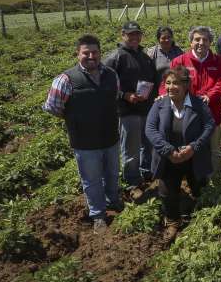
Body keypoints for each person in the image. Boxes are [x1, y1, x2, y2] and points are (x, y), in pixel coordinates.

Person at [43, 35, 122, 233]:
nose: (91, 56)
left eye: (94, 52)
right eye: (85, 53)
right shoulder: (66, 79)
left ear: (100, 53)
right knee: (92, 179)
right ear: (78, 54)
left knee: (112, 173)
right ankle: (98, 215)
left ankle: (113, 201)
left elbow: (116, 97)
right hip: (84, 141)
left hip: (110, 136)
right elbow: (53, 107)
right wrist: (75, 119)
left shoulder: (111, 74)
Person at [145, 67, 215, 241]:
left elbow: (209, 125)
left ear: (186, 85)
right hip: (168, 158)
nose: (170, 87)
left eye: (175, 83)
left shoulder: (198, 104)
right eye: (168, 83)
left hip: (193, 156)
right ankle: (173, 221)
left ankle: (202, 217)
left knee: (199, 187)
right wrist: (169, 151)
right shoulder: (159, 104)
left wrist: (193, 147)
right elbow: (150, 129)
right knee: (167, 192)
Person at [162, 26, 221, 174]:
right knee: (187, 148)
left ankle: (215, 181)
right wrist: (162, 96)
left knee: (214, 151)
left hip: (212, 114)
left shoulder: (218, 61)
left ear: (210, 42)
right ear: (191, 42)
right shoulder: (179, 61)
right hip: (186, 116)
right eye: (197, 39)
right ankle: (193, 180)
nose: (201, 43)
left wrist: (209, 96)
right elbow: (166, 83)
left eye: (205, 39)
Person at [103, 21, 157, 196]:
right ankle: (132, 182)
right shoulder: (115, 57)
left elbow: (153, 81)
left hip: (146, 108)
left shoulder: (144, 56)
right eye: (130, 34)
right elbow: (104, 85)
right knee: (131, 148)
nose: (134, 37)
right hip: (127, 111)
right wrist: (125, 95)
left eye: (137, 34)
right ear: (123, 35)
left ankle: (145, 172)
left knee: (147, 144)